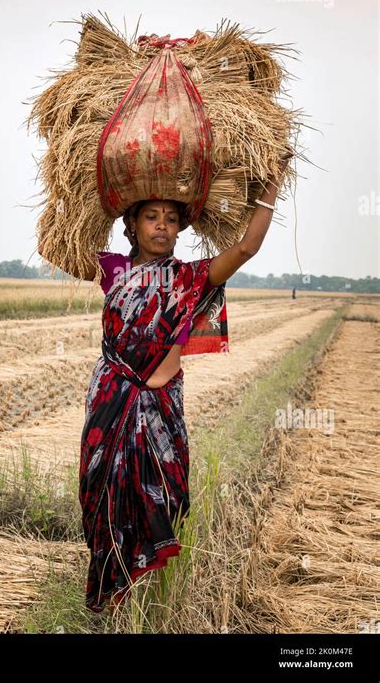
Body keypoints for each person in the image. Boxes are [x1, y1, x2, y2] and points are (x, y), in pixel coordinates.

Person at [78, 178, 281, 613]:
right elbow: (62, 247)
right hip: (110, 402)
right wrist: (83, 190)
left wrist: (270, 192)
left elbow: (246, 248)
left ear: (180, 228)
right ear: (132, 223)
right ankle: (111, 600)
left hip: (159, 408)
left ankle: (142, 592)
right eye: (151, 217)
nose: (162, 227)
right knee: (103, 495)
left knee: (163, 493)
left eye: (171, 219)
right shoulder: (113, 269)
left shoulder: (191, 278)